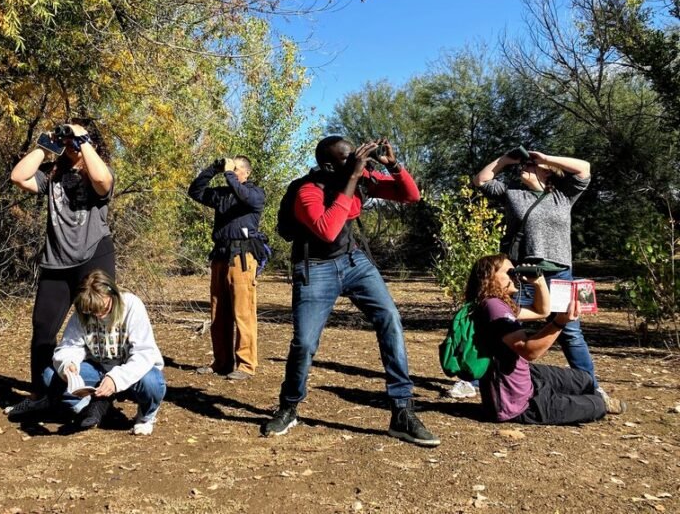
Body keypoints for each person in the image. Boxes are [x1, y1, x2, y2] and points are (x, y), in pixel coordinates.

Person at [262, 136, 440, 447]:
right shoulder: (308, 191)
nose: (358, 159)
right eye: (349, 157)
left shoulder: (358, 179)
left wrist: (393, 165)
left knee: (390, 319)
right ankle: (289, 407)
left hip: (354, 260)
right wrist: (354, 176)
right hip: (315, 267)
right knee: (304, 343)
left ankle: (402, 411)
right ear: (329, 165)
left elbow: (410, 196)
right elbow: (328, 230)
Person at [451, 148, 621, 406]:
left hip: (560, 274)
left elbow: (584, 167)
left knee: (570, 332)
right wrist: (507, 159)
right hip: (520, 275)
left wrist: (545, 159)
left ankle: (591, 386)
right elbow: (481, 181)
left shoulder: (563, 196)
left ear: (548, 174)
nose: (525, 167)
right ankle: (473, 380)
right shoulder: (513, 194)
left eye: (531, 165)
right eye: (525, 164)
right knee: (504, 325)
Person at [7, 119, 115, 417]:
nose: (69, 142)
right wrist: (46, 146)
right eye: (67, 137)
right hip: (56, 262)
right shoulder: (53, 174)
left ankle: (101, 397)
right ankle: (42, 393)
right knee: (43, 330)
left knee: (99, 326)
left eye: (74, 137)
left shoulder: (98, 171)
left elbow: (103, 181)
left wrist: (83, 141)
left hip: (94, 256)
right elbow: (18, 176)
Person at [468, 254, 625, 424]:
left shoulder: (495, 303)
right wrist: (560, 323)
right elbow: (529, 351)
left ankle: (566, 397)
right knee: (596, 406)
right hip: (516, 405)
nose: (514, 275)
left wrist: (539, 281)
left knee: (584, 379)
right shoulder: (493, 307)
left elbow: (541, 311)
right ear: (489, 278)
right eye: (509, 272)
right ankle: (589, 401)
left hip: (522, 378)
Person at [10, 270, 166, 435]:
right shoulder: (83, 312)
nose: (98, 315)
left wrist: (115, 379)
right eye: (92, 311)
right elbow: (68, 347)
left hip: (130, 372)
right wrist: (68, 364)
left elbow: (144, 353)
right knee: (50, 377)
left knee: (153, 382)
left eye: (104, 308)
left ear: (113, 295)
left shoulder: (132, 305)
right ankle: (85, 404)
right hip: (98, 370)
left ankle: (145, 416)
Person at [187, 155, 266, 381]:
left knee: (243, 312)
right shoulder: (223, 194)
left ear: (247, 173)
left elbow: (244, 196)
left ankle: (246, 365)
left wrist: (230, 174)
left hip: (242, 257)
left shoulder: (255, 194)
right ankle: (222, 362)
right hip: (220, 255)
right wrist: (213, 169)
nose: (231, 172)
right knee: (218, 312)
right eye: (230, 170)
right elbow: (195, 191)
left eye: (237, 169)